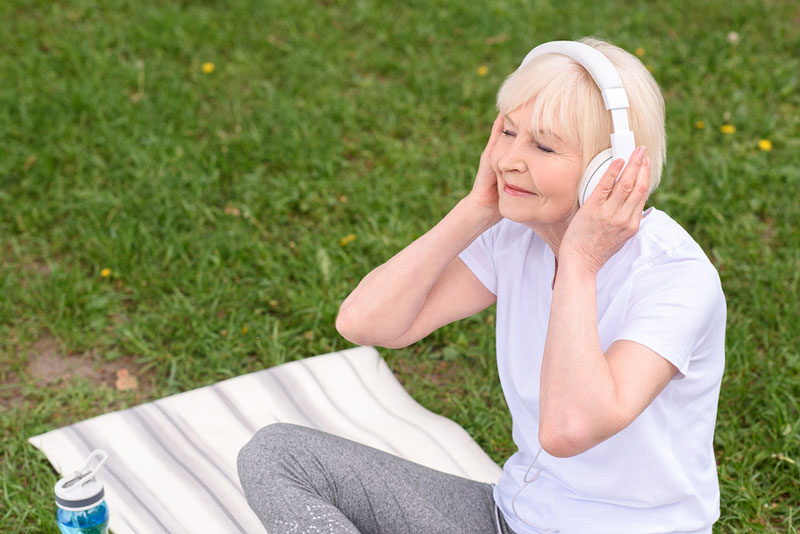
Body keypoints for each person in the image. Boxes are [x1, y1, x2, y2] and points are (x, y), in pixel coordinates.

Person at [237, 37, 726, 534]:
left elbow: (567, 429)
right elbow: (365, 322)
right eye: (508, 132)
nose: (509, 159)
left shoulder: (676, 279)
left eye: (542, 145)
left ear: (610, 168)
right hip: (507, 519)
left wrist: (580, 262)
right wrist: (476, 208)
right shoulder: (516, 237)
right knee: (279, 455)